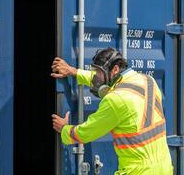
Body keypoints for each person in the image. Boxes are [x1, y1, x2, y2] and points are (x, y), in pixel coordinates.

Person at [51, 47, 173, 175]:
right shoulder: (148, 81)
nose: (96, 77)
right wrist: (74, 72)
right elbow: (106, 83)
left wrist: (65, 129)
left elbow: (87, 132)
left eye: (98, 72)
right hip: (164, 168)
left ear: (115, 69)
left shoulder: (115, 99)